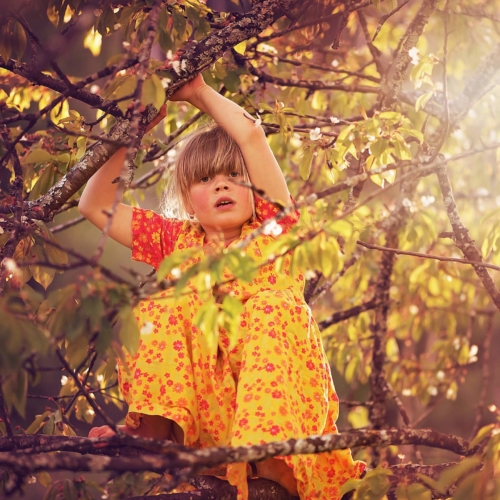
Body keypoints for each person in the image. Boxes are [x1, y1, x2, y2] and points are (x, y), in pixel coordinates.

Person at [80, 72, 365, 500]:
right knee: (157, 309)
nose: (221, 184)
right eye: (205, 179)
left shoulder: (275, 229)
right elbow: (94, 205)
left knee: (270, 308)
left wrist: (196, 92)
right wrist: (135, 132)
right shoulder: (178, 242)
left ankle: (271, 462)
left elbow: (250, 136)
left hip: (279, 418)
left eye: (234, 175)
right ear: (187, 195)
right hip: (210, 429)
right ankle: (156, 437)